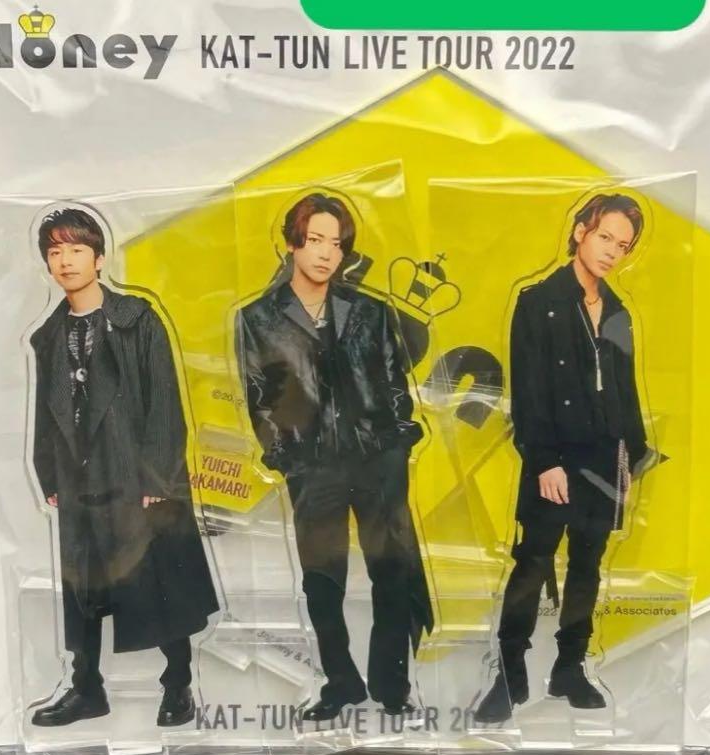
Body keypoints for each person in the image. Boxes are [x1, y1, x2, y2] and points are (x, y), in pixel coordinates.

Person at [236, 193, 433, 722]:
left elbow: (393, 381)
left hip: (378, 460)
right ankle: (341, 683)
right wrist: (287, 457)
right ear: (292, 243)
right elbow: (259, 396)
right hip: (313, 466)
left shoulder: (370, 310)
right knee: (323, 582)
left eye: (337, 243)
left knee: (391, 573)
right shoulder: (258, 318)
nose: (326, 253)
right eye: (315, 240)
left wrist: (398, 441)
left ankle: (392, 686)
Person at [28, 207, 218, 728]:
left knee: (157, 581)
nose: (66, 261)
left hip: (136, 477)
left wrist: (158, 478)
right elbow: (46, 411)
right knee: (84, 587)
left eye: (76, 249)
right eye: (55, 252)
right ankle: (86, 689)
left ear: (99, 258)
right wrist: (49, 475)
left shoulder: (137, 320)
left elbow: (165, 401)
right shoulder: (49, 337)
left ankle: (178, 684)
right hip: (79, 477)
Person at [475, 193, 652, 723]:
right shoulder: (538, 301)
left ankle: (570, 667)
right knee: (533, 561)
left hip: (605, 455)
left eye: (623, 245)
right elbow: (528, 390)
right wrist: (544, 459)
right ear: (580, 232)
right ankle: (509, 675)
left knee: (587, 566)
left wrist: (632, 455)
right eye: (605, 237)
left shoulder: (617, 311)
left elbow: (624, 387)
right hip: (554, 455)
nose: (612, 251)